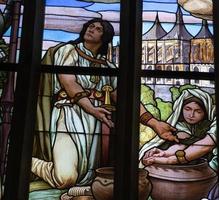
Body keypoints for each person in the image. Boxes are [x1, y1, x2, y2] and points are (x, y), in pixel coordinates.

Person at [32, 17, 178, 190]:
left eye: (98, 29)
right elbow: (69, 83)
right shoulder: (68, 51)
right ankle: (24, 159)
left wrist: (155, 124)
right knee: (66, 178)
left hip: (96, 126)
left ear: (105, 37)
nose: (91, 29)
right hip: (68, 116)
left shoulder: (107, 66)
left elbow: (124, 98)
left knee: (88, 176)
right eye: (90, 26)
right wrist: (92, 109)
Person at [140, 88, 219, 169]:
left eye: (198, 111)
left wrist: (168, 160)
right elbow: (186, 143)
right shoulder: (185, 125)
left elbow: (203, 146)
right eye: (187, 109)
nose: (191, 115)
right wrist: (164, 153)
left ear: (206, 112)